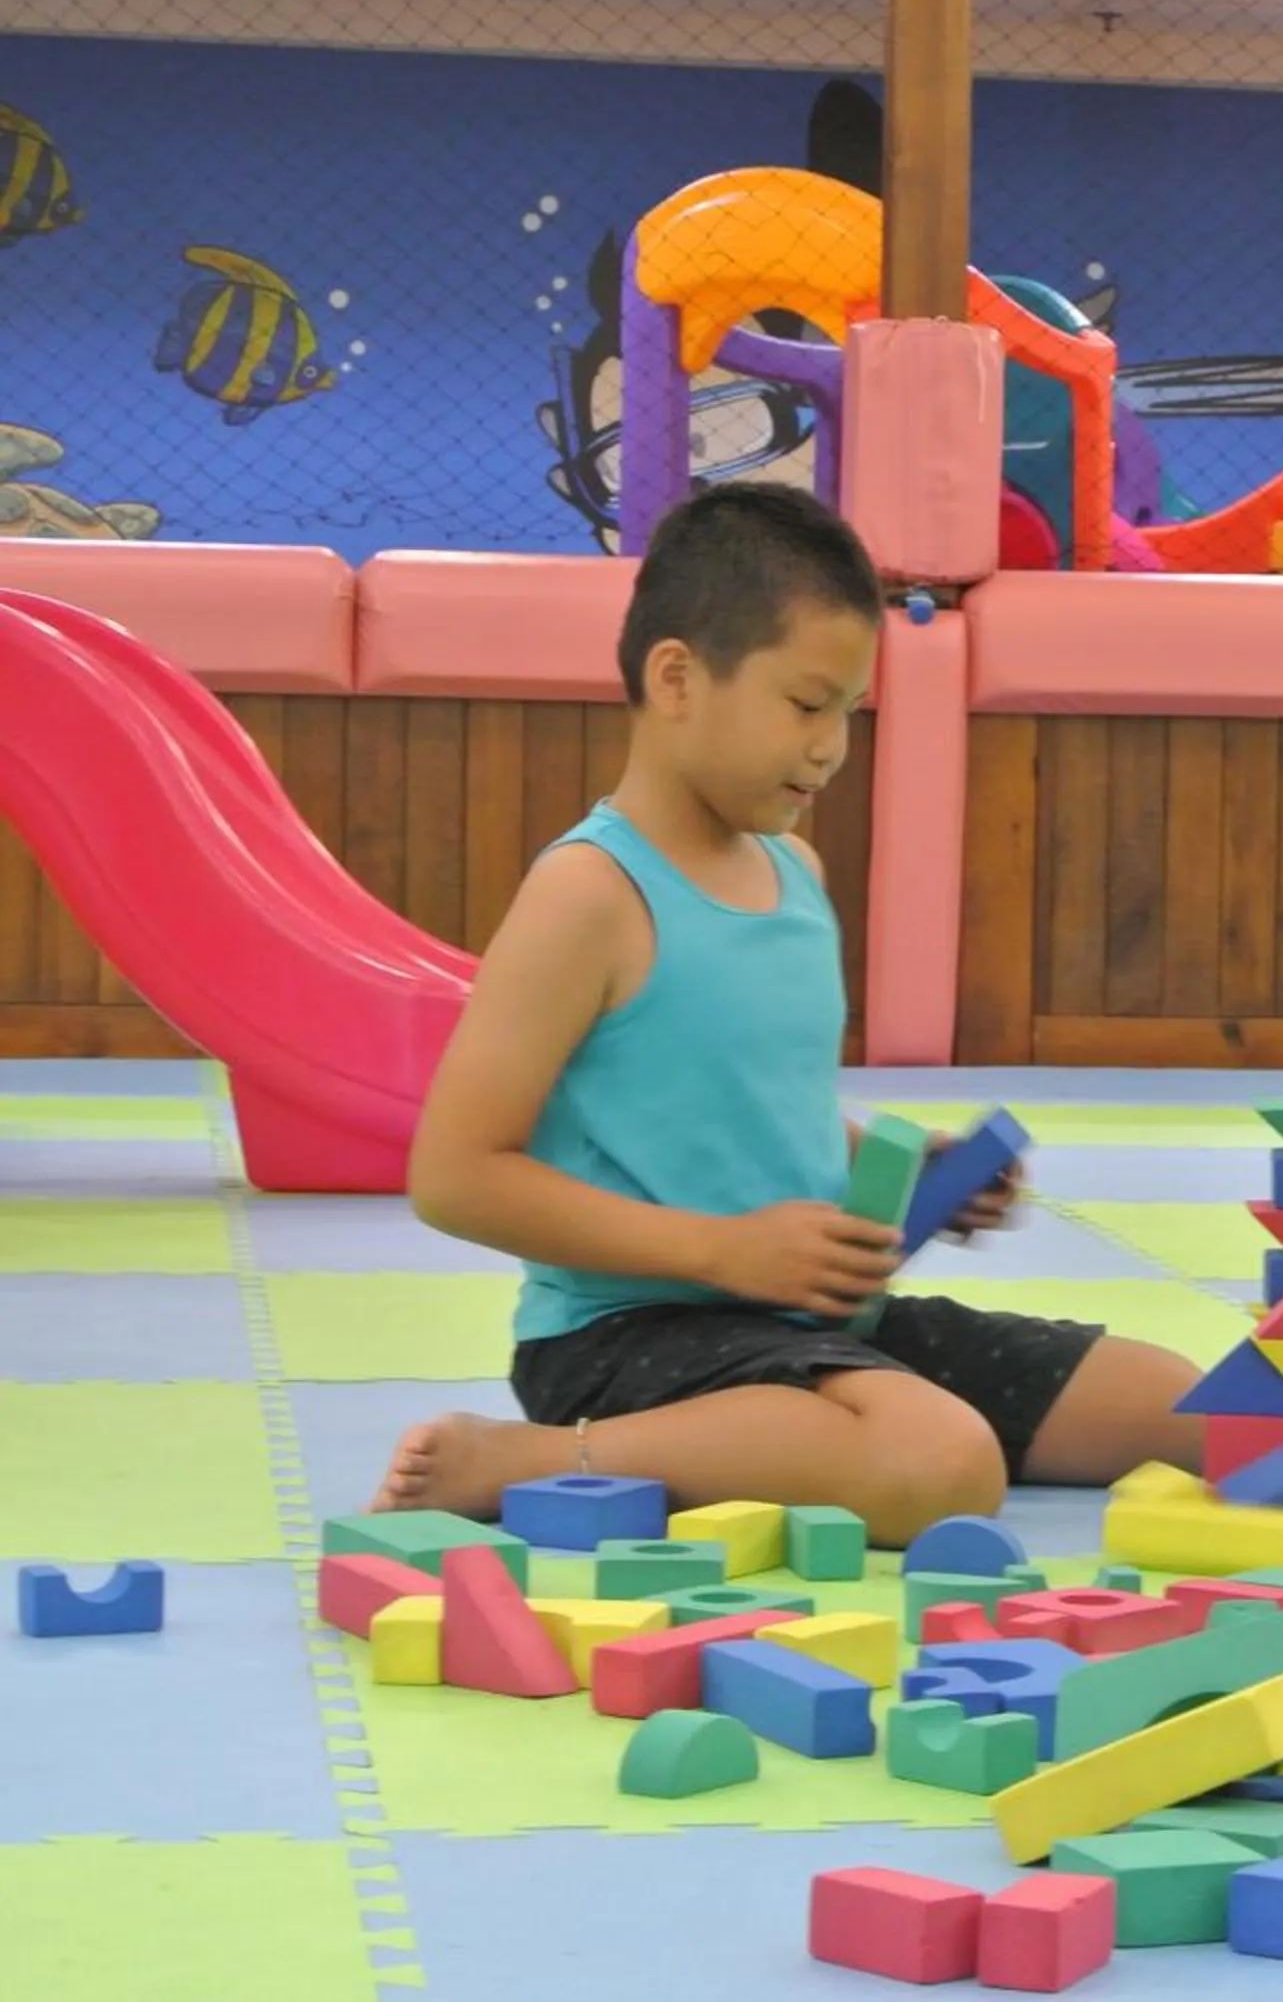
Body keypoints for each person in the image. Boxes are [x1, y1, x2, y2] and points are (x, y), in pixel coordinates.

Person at [367, 484, 1201, 1539]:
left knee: (1182, 1403)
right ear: (677, 678)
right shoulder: (589, 894)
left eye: (848, 712)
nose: (831, 746)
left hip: (803, 1318)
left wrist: (911, 1175)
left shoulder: (793, 873)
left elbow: (747, 1113)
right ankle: (526, 1457)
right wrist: (722, 1253)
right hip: (630, 1334)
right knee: (942, 1464)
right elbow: (454, 1175)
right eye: (806, 705)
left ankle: (816, 1415)